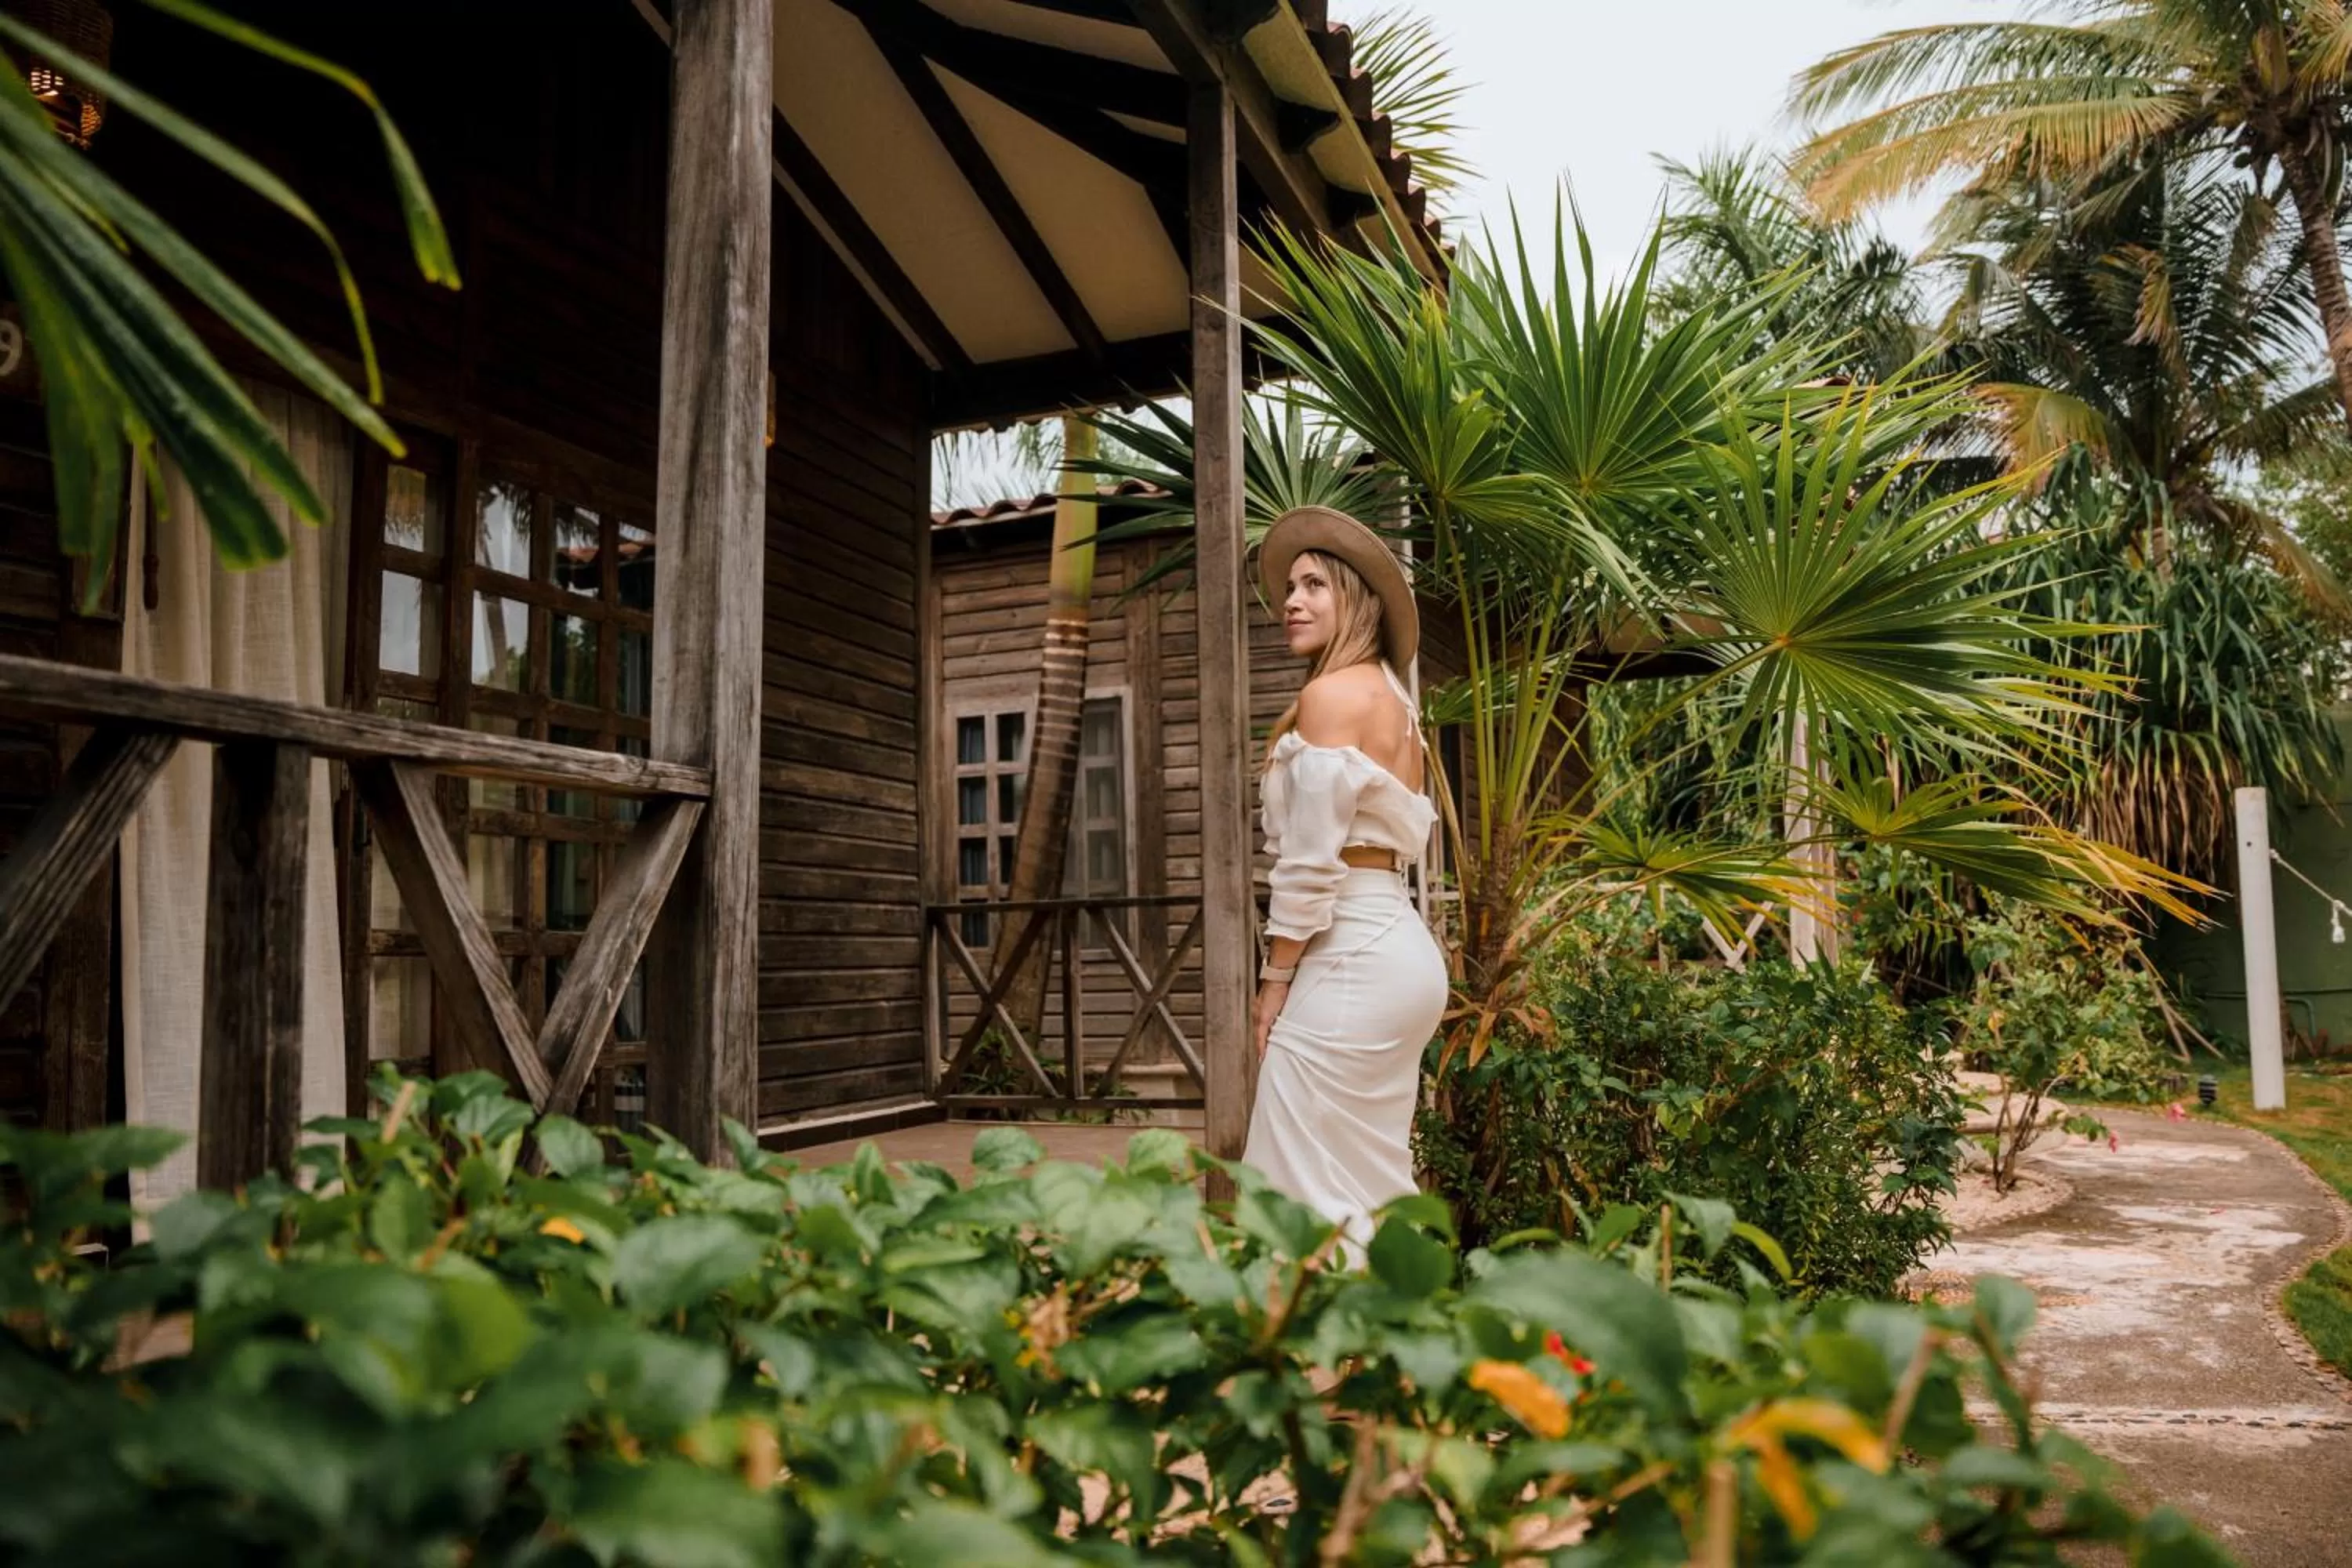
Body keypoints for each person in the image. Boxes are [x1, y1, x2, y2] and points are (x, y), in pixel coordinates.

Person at [1242, 505, 1449, 1253]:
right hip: (1401, 950)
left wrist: (1273, 986)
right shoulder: (1399, 705)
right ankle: (1401, 1350)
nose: (1291, 602)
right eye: (1289, 588)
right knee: (1370, 1183)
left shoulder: (1332, 698)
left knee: (1291, 1186)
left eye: (1313, 586)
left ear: (1355, 600)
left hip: (1351, 954)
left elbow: (1308, 865)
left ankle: (1313, 1358)